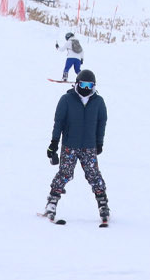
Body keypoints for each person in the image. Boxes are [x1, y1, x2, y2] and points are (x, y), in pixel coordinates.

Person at [44, 69, 110, 224]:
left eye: (89, 85)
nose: (86, 88)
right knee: (64, 173)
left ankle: (103, 204)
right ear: (77, 83)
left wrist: (99, 142)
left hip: (89, 146)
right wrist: (54, 142)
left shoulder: (98, 102)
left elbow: (102, 123)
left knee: (94, 175)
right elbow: (58, 122)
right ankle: (52, 202)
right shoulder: (67, 99)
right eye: (83, 84)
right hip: (70, 145)